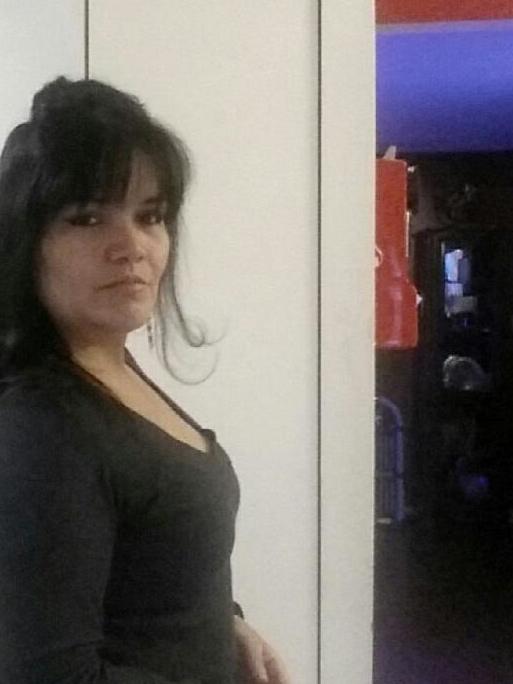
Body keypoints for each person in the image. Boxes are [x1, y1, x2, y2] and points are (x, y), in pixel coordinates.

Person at [0, 76, 290, 684]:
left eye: (150, 216)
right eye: (87, 218)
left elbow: (145, 569)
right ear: (27, 244)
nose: (131, 245)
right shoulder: (42, 425)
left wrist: (224, 624)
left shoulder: (109, 364)